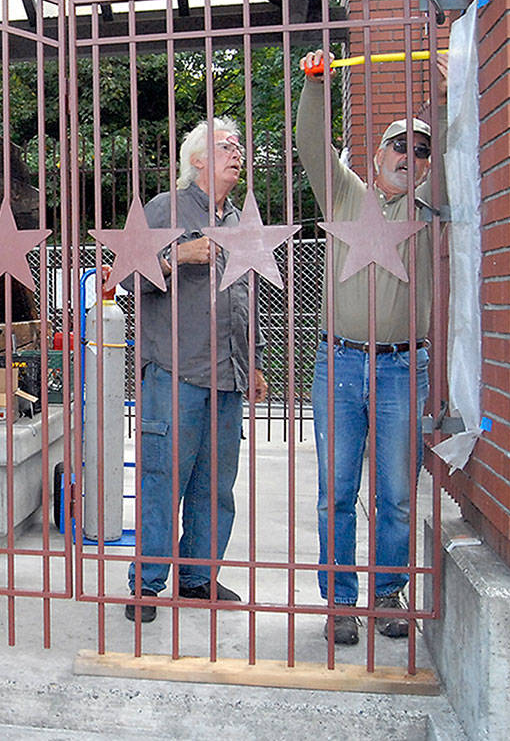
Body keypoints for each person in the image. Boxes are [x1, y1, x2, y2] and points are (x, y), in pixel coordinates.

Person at [295, 48, 446, 645]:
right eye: (399, 146)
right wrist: (317, 84)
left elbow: (458, 150)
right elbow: (310, 140)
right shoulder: (345, 194)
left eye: (421, 150)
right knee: (336, 491)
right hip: (340, 362)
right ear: (378, 154)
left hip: (404, 367)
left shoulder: (432, 203)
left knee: (397, 495)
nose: (409, 157)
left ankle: (388, 593)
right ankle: (340, 602)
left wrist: (447, 95)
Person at [127, 119, 268, 622]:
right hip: (173, 372)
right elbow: (124, 274)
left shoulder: (236, 221)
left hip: (226, 377)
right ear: (198, 160)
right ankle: (146, 584)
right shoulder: (166, 207)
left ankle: (197, 578)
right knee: (163, 481)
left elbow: (244, 298)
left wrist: (251, 364)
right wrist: (174, 256)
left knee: (216, 486)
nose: (238, 153)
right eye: (227, 146)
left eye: (239, 146)